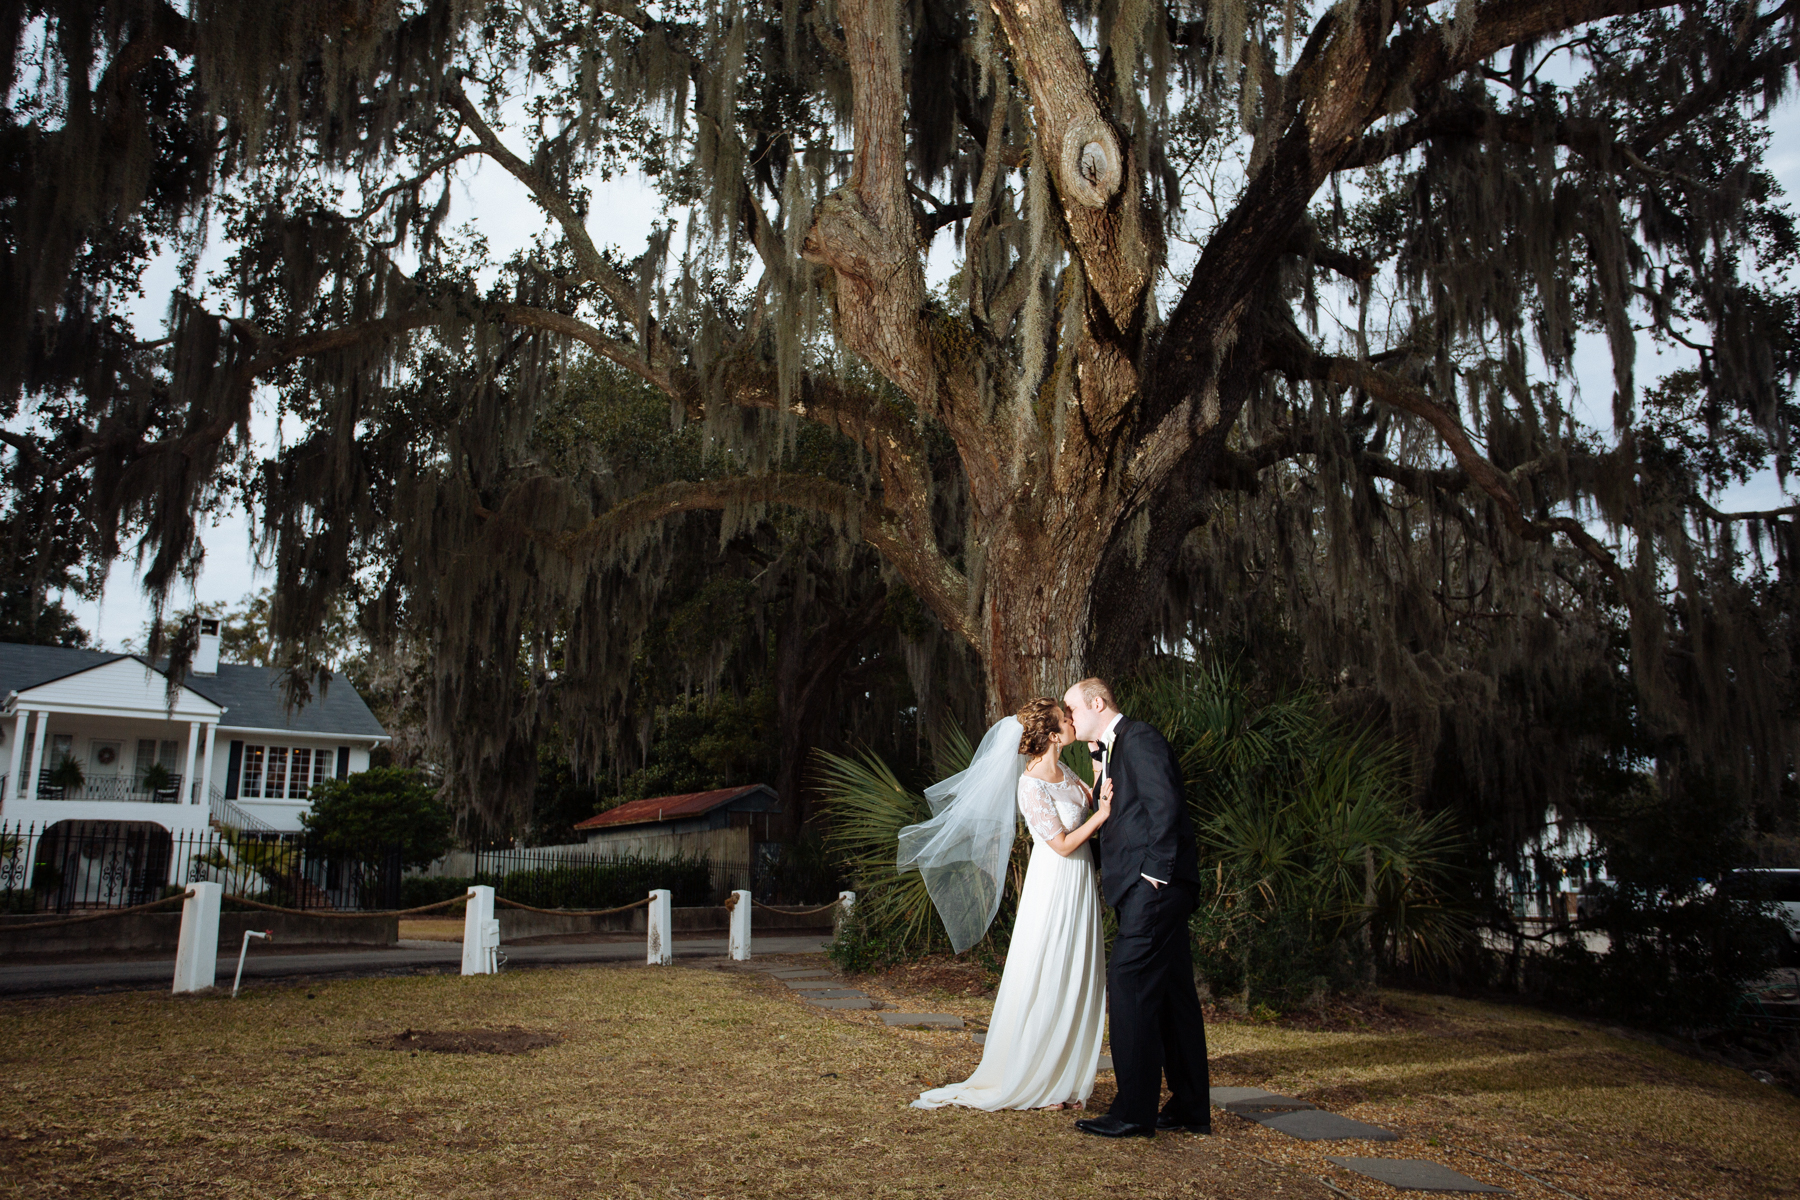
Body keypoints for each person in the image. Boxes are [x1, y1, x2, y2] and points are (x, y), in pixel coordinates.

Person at [901, 697, 1112, 1111]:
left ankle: (1063, 1078)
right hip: (1056, 882)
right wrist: (1102, 817)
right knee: (1049, 970)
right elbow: (1063, 844)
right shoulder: (1030, 784)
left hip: (1080, 883)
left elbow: (1087, 799)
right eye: (1066, 720)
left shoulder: (1063, 769)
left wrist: (1096, 762)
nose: (1072, 721)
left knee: (1075, 970)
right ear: (1053, 735)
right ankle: (1037, 1076)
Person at [1062, 676, 1211, 1139]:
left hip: (1156, 889)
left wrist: (1154, 876)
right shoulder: (1108, 751)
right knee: (1172, 995)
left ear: (1098, 703)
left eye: (1072, 710)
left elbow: (1164, 807)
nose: (1068, 719)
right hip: (1142, 890)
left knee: (1129, 987)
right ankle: (1190, 1107)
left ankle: (1133, 1111)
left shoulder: (1139, 738)